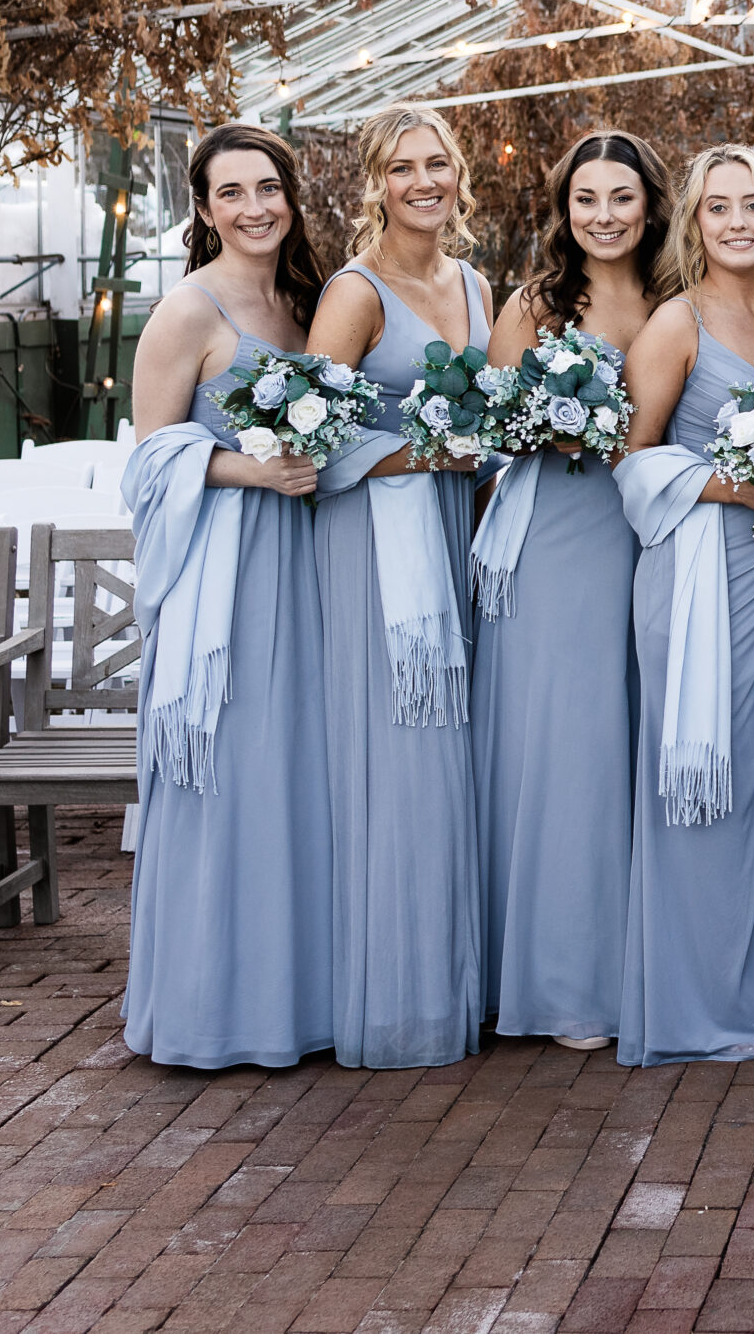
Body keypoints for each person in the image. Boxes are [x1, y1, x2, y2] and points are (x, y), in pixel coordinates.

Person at [120, 123, 334, 1069]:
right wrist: (252, 475)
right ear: (202, 210)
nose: (256, 207)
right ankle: (213, 1011)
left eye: (269, 187)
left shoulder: (307, 301)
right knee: (227, 777)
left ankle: (298, 1002)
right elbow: (149, 460)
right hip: (226, 577)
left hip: (310, 566)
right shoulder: (187, 312)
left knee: (295, 779)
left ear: (291, 195)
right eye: (232, 192)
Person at [471, 129, 669, 1054]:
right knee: (570, 749)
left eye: (620, 198)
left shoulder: (680, 295)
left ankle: (645, 960)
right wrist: (546, 427)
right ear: (564, 209)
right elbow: (492, 429)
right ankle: (564, 981)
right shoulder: (536, 305)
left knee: (643, 739)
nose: (603, 216)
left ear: (649, 204)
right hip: (561, 541)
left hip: (660, 538)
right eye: (586, 199)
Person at [613, 145, 754, 1067]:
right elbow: (633, 457)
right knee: (702, 781)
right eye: (717, 208)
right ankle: (700, 1009)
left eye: (753, 207)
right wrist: (732, 489)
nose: (736, 223)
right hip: (699, 578)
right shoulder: (674, 324)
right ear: (694, 223)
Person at [307, 104, 494, 1069]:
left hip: (454, 531)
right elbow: (311, 431)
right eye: (403, 167)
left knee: (450, 755)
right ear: (376, 182)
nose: (424, 181)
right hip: (377, 546)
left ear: (458, 176)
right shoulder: (355, 291)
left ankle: (455, 982)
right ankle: (398, 1004)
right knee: (398, 759)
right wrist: (427, 454)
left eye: (438, 165)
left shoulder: (472, 279)